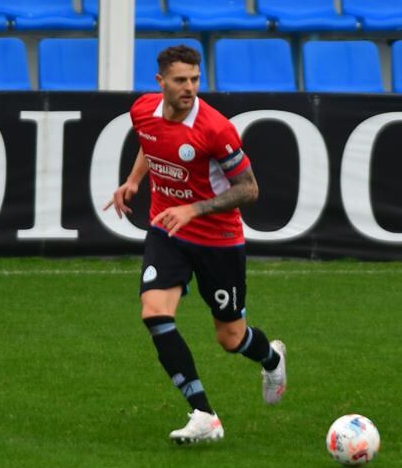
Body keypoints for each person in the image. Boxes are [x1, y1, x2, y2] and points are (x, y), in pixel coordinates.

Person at [106, 44, 287, 444]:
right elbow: (151, 144)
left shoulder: (215, 128)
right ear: (161, 82)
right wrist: (134, 181)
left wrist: (194, 209)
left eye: (194, 79)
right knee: (154, 313)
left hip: (218, 239)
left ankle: (271, 358)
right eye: (180, 80)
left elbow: (249, 189)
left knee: (231, 338)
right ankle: (205, 414)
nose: (189, 88)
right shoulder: (142, 110)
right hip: (167, 230)